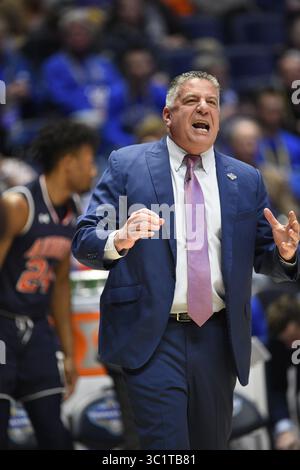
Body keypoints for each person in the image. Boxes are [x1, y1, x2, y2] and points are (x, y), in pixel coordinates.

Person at [72, 71, 300, 450]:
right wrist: (119, 237)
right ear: (167, 115)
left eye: (212, 102)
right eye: (193, 100)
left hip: (217, 337)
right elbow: (84, 238)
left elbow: (264, 257)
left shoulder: (244, 179)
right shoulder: (128, 165)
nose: (204, 108)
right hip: (153, 335)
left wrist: (285, 254)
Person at [0, 120, 97, 449]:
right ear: (68, 162)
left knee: (55, 436)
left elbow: (60, 286)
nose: (93, 171)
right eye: (89, 161)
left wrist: (68, 352)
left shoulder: (74, 212)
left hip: (39, 331)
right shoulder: (17, 205)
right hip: (2, 326)